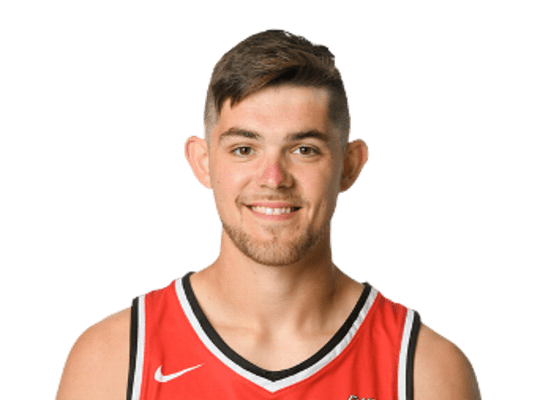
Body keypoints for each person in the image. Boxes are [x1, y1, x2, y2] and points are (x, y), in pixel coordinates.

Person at [55, 29, 482, 400]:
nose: (274, 178)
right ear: (203, 162)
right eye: (244, 149)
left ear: (349, 166)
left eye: (304, 150)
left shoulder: (425, 369)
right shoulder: (114, 360)